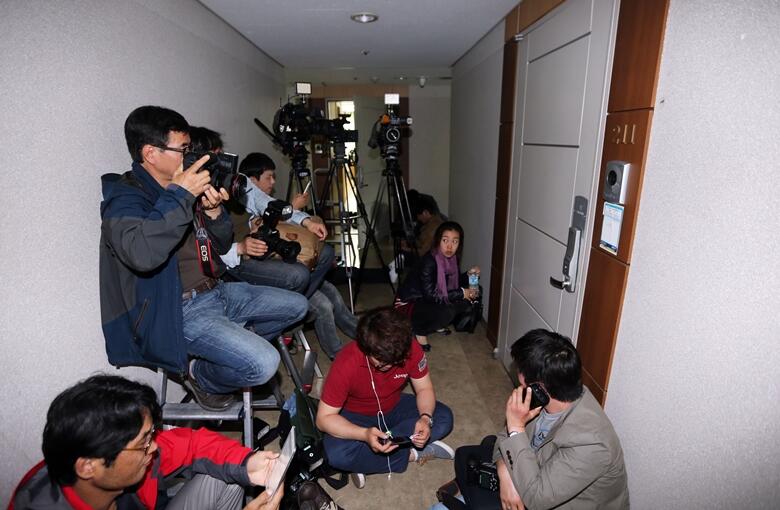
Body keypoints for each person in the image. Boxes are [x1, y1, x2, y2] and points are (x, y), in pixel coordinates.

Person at [100, 107, 308, 412]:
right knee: (264, 363)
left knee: (298, 306)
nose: (189, 156)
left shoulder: (181, 186)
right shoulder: (126, 199)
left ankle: (230, 348)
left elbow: (220, 245)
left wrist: (214, 213)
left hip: (216, 290)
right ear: (151, 153)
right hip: (178, 309)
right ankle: (201, 375)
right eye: (183, 149)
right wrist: (181, 195)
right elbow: (141, 254)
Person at [10, 375, 284, 510]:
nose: (153, 447)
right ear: (87, 467)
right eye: (144, 441)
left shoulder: (118, 453)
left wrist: (248, 463)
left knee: (227, 476)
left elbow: (192, 444)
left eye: (151, 434)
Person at [434, 329, 629, 510]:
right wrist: (504, 474)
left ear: (538, 387)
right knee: (470, 453)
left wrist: (516, 428)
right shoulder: (554, 395)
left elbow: (536, 499)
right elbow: (503, 438)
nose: (518, 380)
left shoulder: (591, 444)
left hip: (540, 498)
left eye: (520, 375)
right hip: (532, 469)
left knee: (442, 504)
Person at [315, 308, 455, 489]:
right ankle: (412, 454)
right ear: (366, 348)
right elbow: (323, 419)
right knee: (336, 455)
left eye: (394, 362)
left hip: (394, 406)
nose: (388, 366)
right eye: (380, 362)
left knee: (443, 418)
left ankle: (368, 459)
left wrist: (425, 418)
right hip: (356, 416)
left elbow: (424, 389)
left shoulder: (410, 348)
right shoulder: (346, 362)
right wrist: (364, 434)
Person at [228, 152, 334, 298]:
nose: (273, 182)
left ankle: (299, 300)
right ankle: (294, 303)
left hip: (264, 245)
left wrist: (307, 221)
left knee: (327, 252)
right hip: (240, 256)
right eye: (268, 177)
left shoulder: (246, 188)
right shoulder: (217, 200)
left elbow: (270, 206)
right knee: (299, 274)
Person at [396, 221, 481, 351]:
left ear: (459, 244)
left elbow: (454, 282)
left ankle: (435, 323)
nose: (449, 246)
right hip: (410, 303)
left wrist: (469, 275)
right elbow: (430, 295)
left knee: (467, 301)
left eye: (455, 241)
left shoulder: (453, 259)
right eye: (445, 240)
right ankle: (419, 330)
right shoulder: (429, 261)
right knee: (448, 310)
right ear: (438, 241)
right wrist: (462, 293)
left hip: (427, 300)